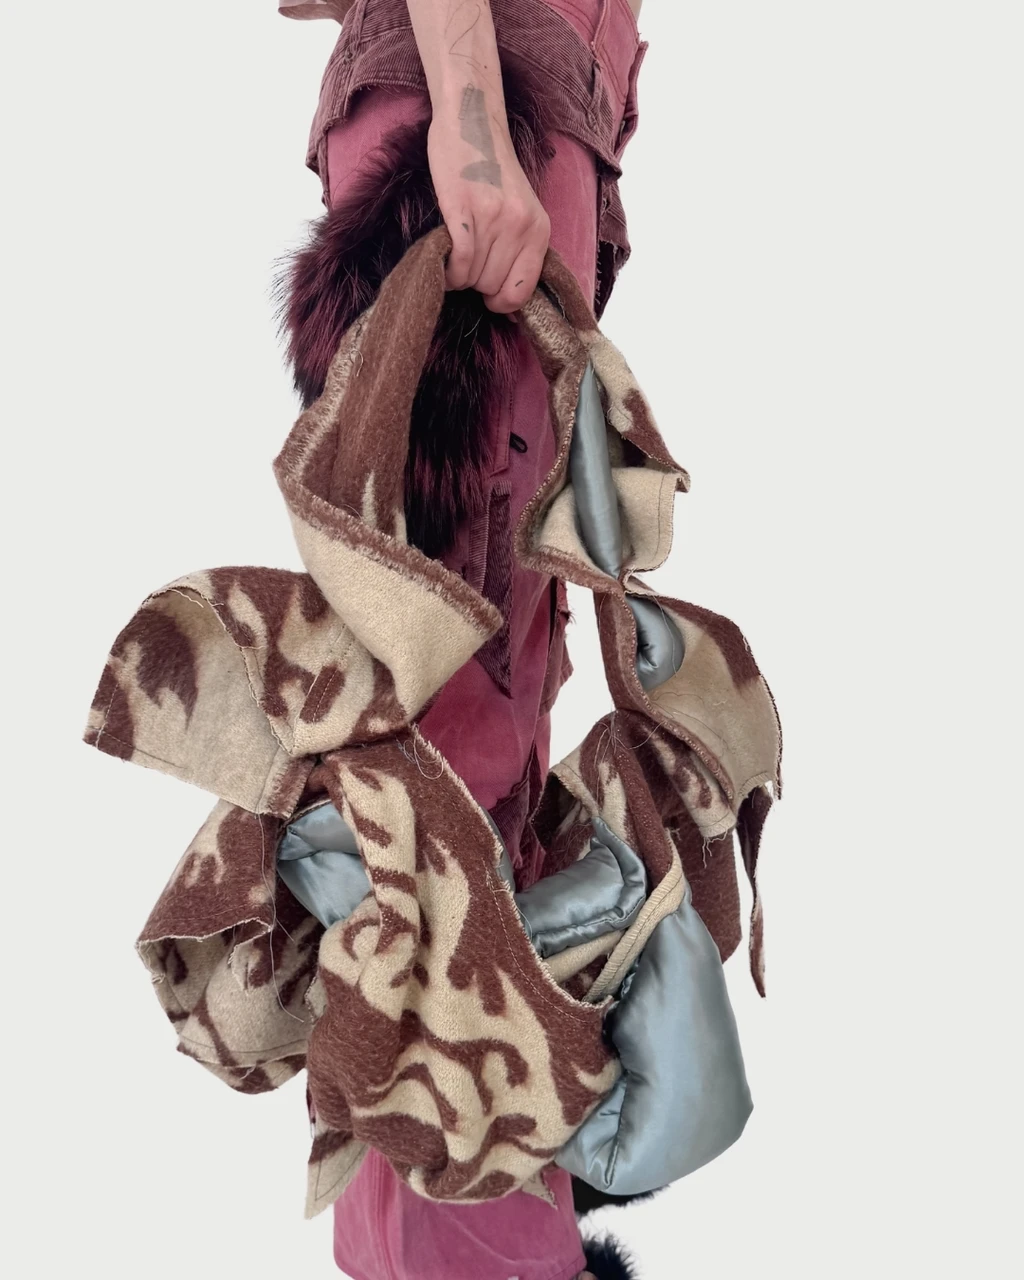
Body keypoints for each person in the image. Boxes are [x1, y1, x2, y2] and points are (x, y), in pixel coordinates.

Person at [278, 2, 649, 1277]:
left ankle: (448, 1246)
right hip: (483, 126)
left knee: (462, 771)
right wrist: (476, 120)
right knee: (443, 800)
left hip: (507, 116)